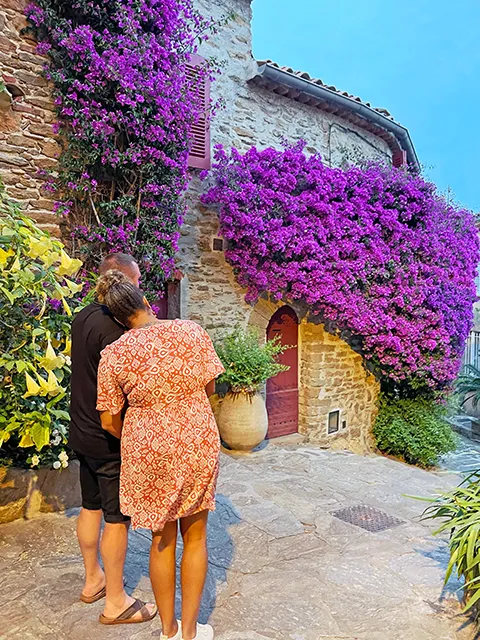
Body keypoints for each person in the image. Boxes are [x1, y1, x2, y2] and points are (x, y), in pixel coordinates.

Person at [95, 270, 225, 640]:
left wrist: (137, 436)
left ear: (119, 320)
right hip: (196, 439)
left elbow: (108, 419)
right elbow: (210, 384)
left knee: (161, 540)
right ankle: (189, 633)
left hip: (148, 450)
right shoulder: (191, 331)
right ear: (147, 303)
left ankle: (167, 631)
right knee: (196, 537)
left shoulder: (115, 353)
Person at [69, 253, 157, 625]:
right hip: (108, 437)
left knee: (90, 507)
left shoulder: (82, 316)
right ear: (123, 283)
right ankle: (116, 601)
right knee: (116, 518)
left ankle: (93, 581)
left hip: (81, 430)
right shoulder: (116, 330)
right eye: (136, 285)